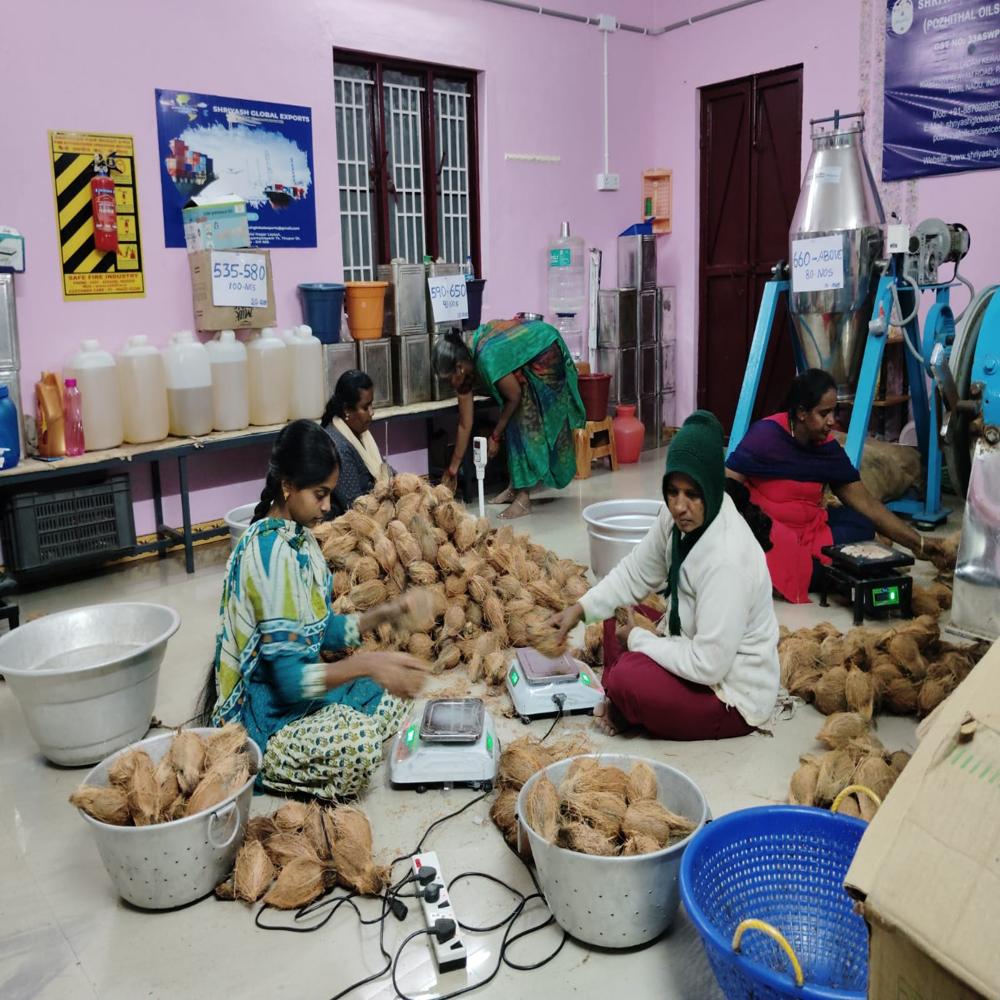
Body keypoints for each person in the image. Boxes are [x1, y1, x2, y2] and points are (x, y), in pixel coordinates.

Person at [203, 419, 427, 799]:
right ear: (287, 485)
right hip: (266, 714)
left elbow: (322, 630)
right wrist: (369, 664)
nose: (326, 506)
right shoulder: (269, 554)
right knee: (360, 744)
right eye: (319, 494)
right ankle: (266, 763)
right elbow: (290, 684)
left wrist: (387, 612)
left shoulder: (301, 543)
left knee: (393, 695)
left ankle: (333, 727)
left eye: (330, 494)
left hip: (293, 695)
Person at [552, 411, 779, 740]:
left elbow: (708, 665)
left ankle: (626, 699)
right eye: (672, 491)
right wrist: (579, 610)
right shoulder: (674, 518)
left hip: (729, 693)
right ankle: (625, 701)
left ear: (712, 488)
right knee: (616, 612)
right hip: (689, 640)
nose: (680, 506)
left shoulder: (727, 559)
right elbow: (634, 573)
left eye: (692, 494)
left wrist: (638, 640)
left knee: (627, 678)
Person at [725, 368, 950, 604]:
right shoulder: (765, 435)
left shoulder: (826, 447)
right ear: (801, 413)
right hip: (770, 532)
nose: (832, 421)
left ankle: (810, 566)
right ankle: (808, 571)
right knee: (783, 555)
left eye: (834, 411)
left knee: (861, 523)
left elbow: (866, 504)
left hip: (809, 530)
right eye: (824, 414)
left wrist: (919, 543)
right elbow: (727, 488)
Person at [432, 320, 586, 519]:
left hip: (545, 350)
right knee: (513, 415)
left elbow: (514, 396)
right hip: (526, 356)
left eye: (447, 379)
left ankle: (523, 498)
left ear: (459, 368)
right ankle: (516, 486)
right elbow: (465, 423)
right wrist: (453, 469)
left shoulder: (487, 360)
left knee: (523, 419)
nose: (448, 385)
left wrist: (495, 436)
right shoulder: (466, 370)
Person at [320, 370, 393, 518]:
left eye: (372, 405)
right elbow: (355, 505)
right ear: (347, 410)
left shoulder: (362, 435)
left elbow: (386, 470)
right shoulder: (338, 446)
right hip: (353, 525)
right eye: (365, 408)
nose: (372, 412)